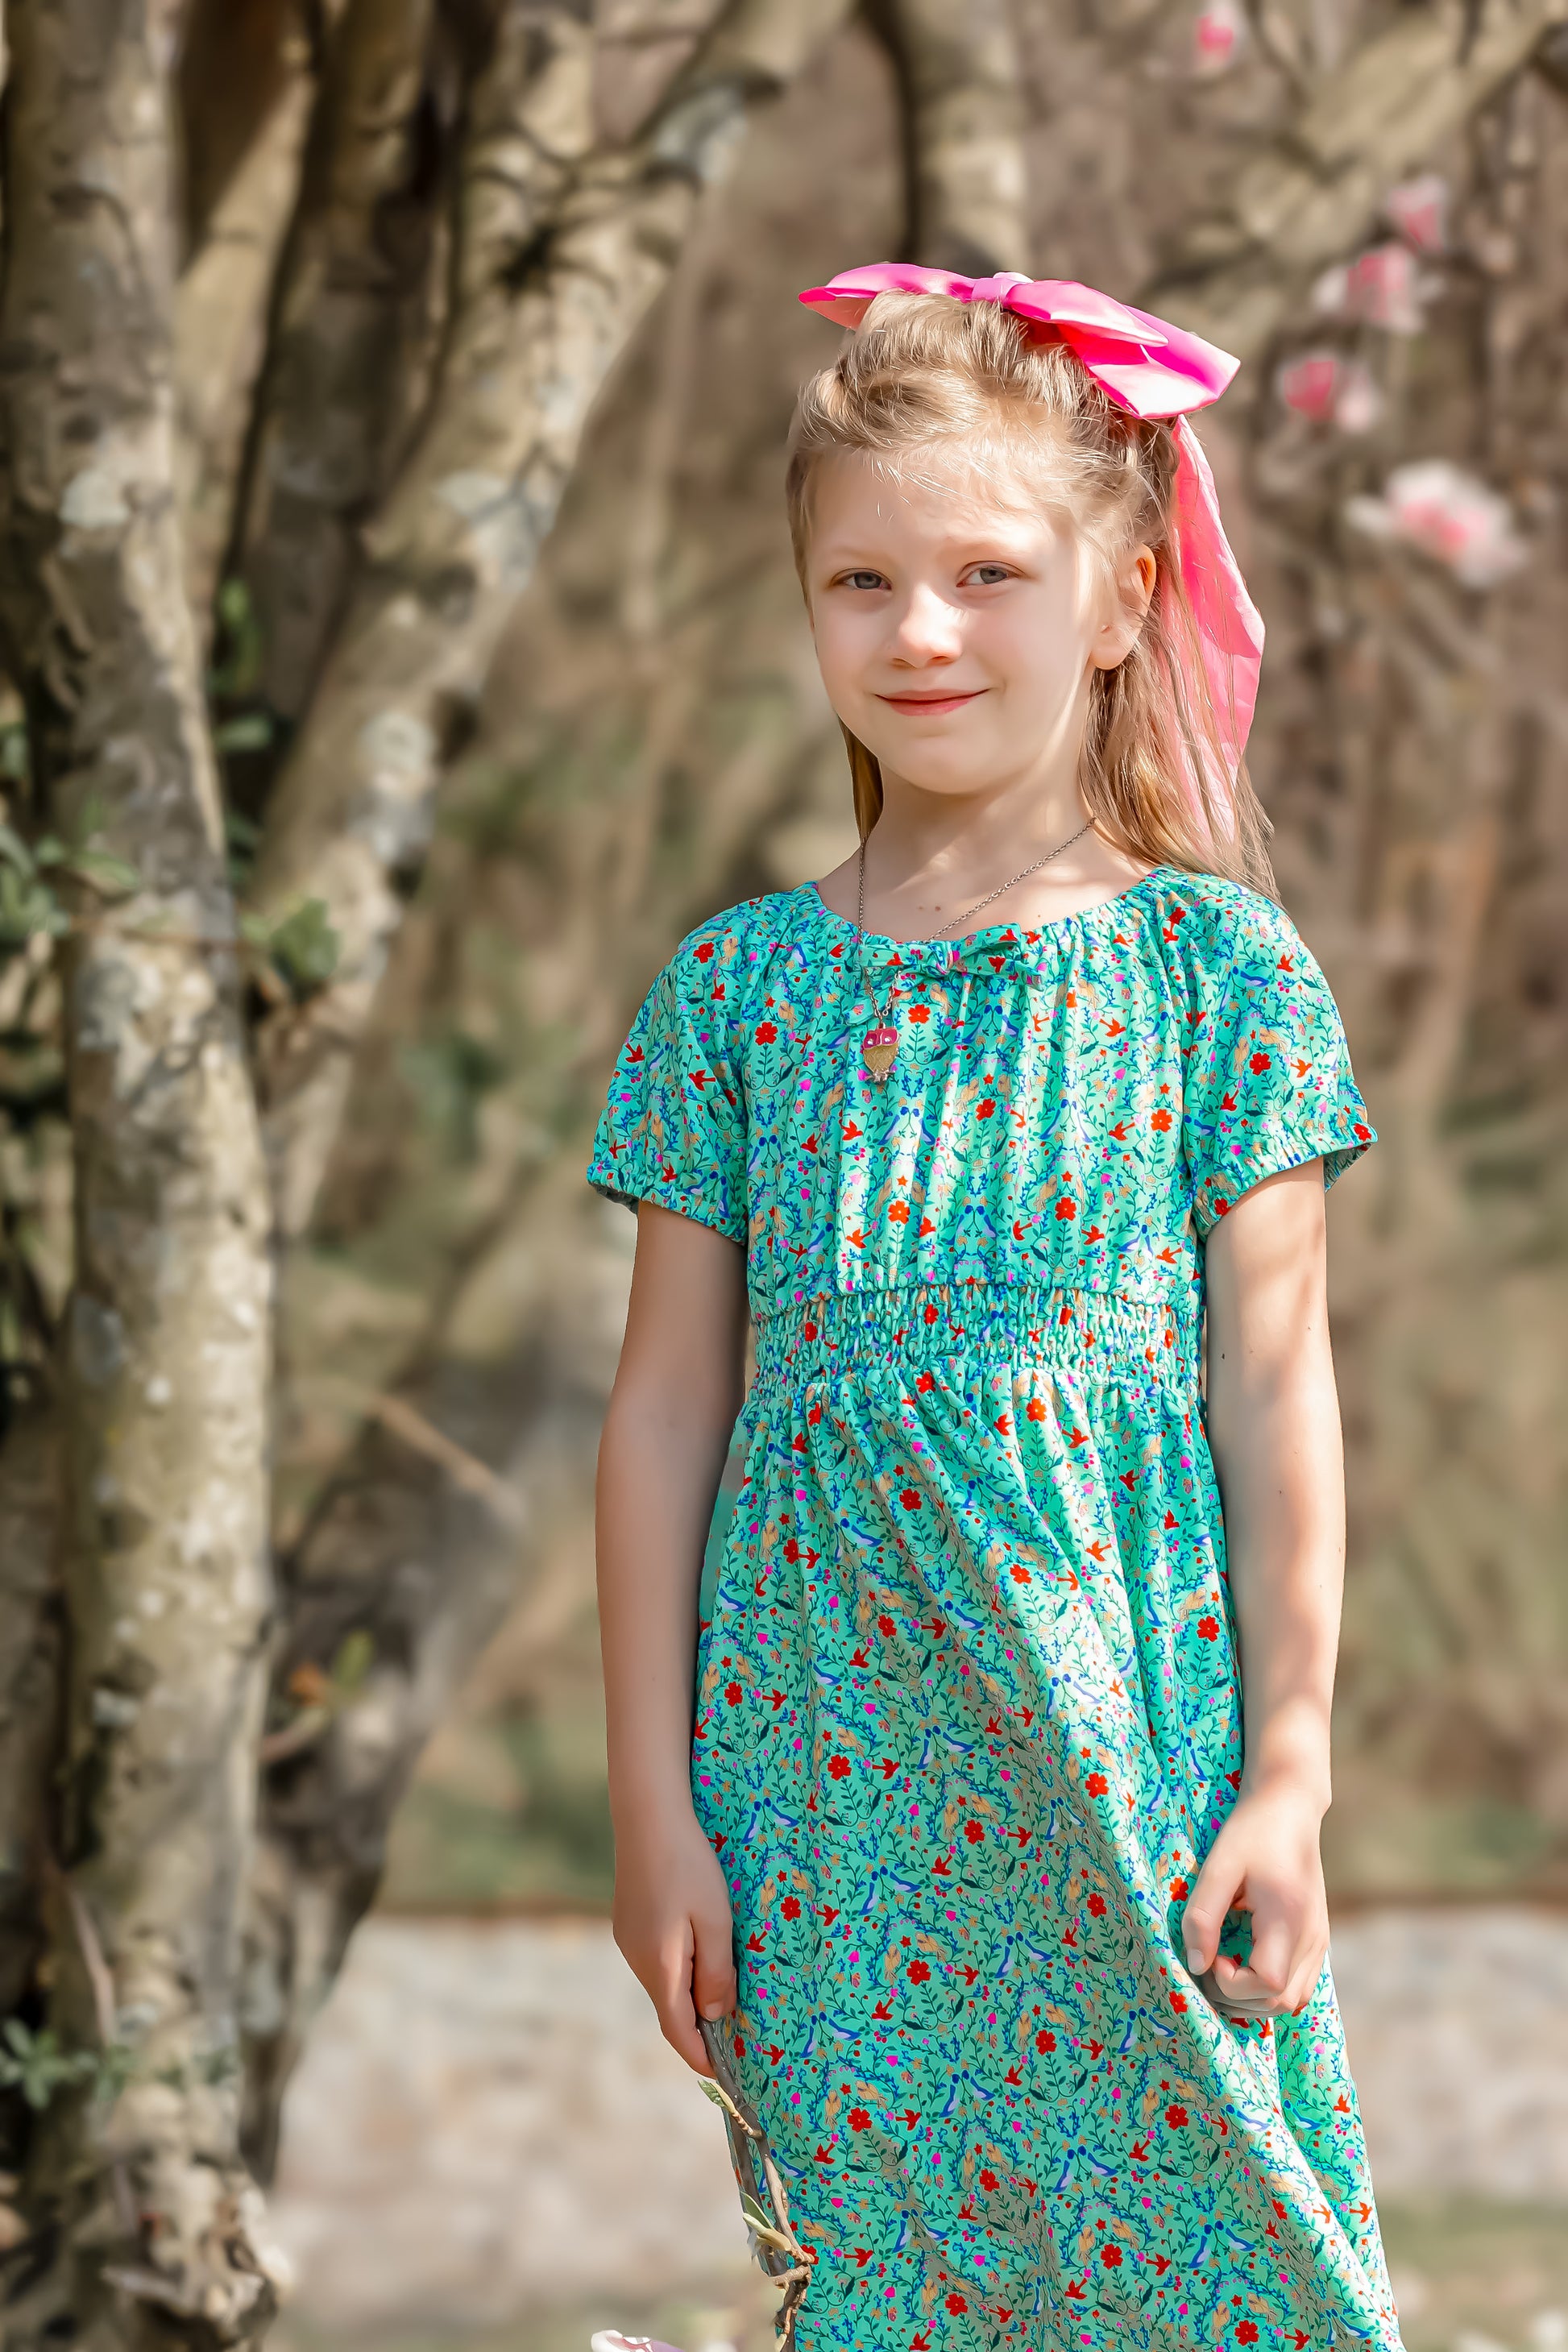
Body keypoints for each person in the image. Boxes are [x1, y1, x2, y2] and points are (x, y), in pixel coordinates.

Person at [586, 264, 1402, 2352]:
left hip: (1128, 1730)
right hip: (817, 1776)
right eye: (859, 579)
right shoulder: (737, 993)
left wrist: (1290, 1766)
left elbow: (1271, 1394)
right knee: (902, 2281)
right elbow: (665, 1413)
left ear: (1123, 593)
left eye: (983, 572)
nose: (919, 630)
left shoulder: (1218, 979)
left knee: (1243, 2262)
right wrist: (651, 1802)